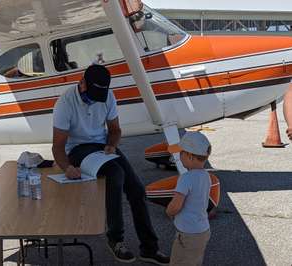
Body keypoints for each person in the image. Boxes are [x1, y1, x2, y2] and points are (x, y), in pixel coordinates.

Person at [52, 64, 169, 265]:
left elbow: (115, 130)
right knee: (115, 174)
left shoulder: (108, 97)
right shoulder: (65, 103)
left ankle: (149, 248)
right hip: (78, 149)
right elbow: (58, 147)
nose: (93, 101)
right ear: (82, 83)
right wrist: (67, 168)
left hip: (102, 147)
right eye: (91, 96)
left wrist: (112, 145)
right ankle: (116, 239)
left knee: (137, 190)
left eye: (100, 96)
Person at [166, 131, 212, 266]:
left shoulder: (186, 178)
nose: (179, 156)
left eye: (181, 153)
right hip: (202, 230)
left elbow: (176, 205)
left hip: (188, 235)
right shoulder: (206, 176)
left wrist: (169, 212)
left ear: (190, 156)